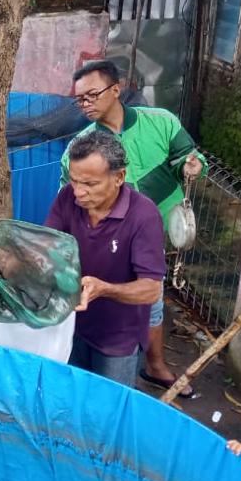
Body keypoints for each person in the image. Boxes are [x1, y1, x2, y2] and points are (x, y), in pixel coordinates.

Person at [60, 60, 205, 398]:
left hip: (160, 235)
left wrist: (193, 167)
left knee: (151, 300)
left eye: (92, 95)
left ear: (116, 89)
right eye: (79, 99)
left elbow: (190, 159)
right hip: (109, 245)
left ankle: (154, 366)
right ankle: (122, 374)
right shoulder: (80, 149)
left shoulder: (162, 123)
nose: (85, 104)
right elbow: (66, 204)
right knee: (116, 306)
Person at [46, 130, 166, 387]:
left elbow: (151, 289)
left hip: (118, 338)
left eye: (90, 184)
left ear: (119, 177)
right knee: (72, 397)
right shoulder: (67, 197)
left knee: (108, 413)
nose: (79, 192)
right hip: (71, 325)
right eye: (75, 180)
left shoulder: (144, 216)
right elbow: (49, 245)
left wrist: (104, 289)